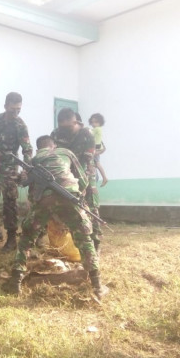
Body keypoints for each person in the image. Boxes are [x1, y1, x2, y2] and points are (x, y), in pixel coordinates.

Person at [2, 136, 107, 298]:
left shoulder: (36, 158)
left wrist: (37, 212)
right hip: (70, 195)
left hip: (45, 199)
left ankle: (15, 281)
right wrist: (77, 195)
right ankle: (97, 285)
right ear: (54, 145)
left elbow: (30, 188)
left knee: (27, 239)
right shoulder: (66, 152)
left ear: (38, 149)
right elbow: (84, 180)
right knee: (85, 239)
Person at [0, 92, 33, 251]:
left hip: (9, 168)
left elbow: (27, 149)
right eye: (12, 109)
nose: (15, 113)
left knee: (9, 203)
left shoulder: (20, 125)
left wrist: (27, 168)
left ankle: (11, 238)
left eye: (18, 109)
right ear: (5, 106)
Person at [51, 108, 103, 255]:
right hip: (65, 174)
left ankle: (96, 241)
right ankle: (65, 240)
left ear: (75, 122)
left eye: (67, 127)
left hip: (85, 172)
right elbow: (52, 155)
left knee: (91, 206)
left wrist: (83, 185)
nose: (64, 130)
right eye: (62, 126)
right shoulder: (56, 134)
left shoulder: (87, 134)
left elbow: (88, 161)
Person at [88, 113, 108, 187]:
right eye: (92, 122)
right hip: (98, 148)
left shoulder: (97, 129)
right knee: (96, 164)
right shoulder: (97, 129)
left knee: (97, 164)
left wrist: (96, 149)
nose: (93, 124)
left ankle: (104, 178)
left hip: (96, 148)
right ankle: (104, 178)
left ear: (100, 123)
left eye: (96, 122)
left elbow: (97, 139)